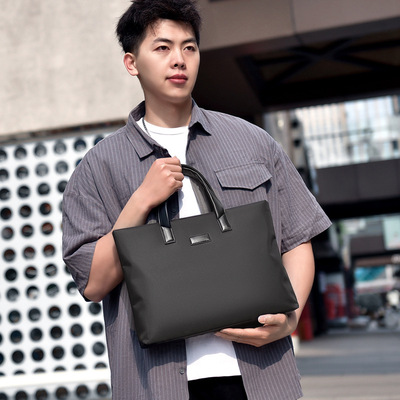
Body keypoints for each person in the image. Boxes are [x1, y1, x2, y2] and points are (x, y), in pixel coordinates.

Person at [62, 1, 331, 399]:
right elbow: (93, 283)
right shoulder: (98, 167)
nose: (179, 60)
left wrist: (289, 318)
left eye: (189, 47)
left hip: (260, 376)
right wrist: (141, 201)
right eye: (163, 48)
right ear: (132, 63)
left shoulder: (252, 142)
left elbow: (296, 238)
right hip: (156, 384)